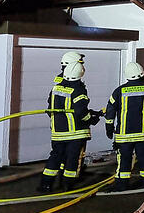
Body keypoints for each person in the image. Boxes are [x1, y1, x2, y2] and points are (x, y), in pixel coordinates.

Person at [38, 61, 99, 192]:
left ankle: (46, 184)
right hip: (75, 133)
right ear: (80, 74)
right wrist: (92, 119)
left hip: (58, 132)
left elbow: (51, 109)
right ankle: (67, 185)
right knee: (72, 159)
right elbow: (81, 113)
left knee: (55, 157)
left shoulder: (55, 88)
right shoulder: (78, 90)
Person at [104, 62, 144, 191]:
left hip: (124, 135)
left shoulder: (119, 91)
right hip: (143, 134)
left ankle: (122, 184)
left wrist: (109, 128)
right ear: (142, 73)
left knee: (124, 159)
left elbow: (110, 111)